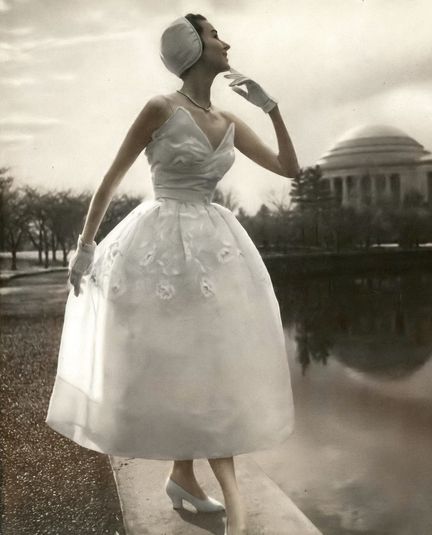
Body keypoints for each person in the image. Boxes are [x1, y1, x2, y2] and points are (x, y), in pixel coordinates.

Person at [45, 13, 300, 535]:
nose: (225, 42)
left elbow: (289, 169)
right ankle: (234, 503)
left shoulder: (229, 121)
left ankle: (183, 476)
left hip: (216, 249)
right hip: (159, 246)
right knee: (190, 366)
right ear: (192, 47)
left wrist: (271, 109)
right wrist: (85, 247)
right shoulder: (160, 108)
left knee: (211, 365)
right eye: (214, 35)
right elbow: (110, 181)